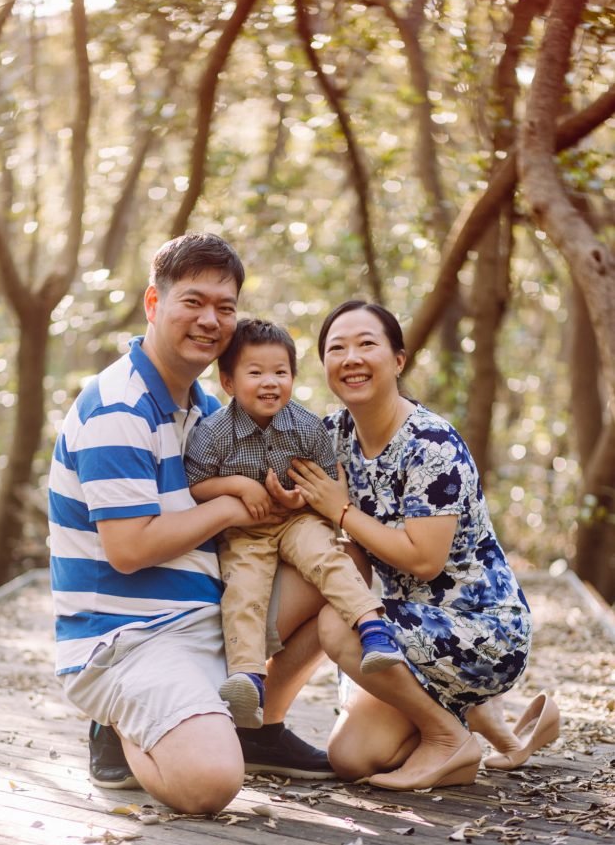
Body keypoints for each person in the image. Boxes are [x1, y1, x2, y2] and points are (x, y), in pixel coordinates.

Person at [48, 233, 332, 812]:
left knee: (341, 563)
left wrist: (291, 498)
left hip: (212, 617)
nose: (211, 320)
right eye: (193, 302)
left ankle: (256, 723)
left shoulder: (206, 409)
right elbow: (128, 549)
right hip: (131, 641)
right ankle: (120, 724)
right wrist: (230, 505)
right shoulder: (118, 407)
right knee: (209, 784)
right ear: (154, 304)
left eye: (225, 308)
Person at [267, 299, 560, 791]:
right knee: (352, 759)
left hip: (480, 631)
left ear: (398, 360)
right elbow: (283, 485)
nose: (351, 358)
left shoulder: (432, 445)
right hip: (405, 627)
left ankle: (449, 735)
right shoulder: (331, 435)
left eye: (367, 344)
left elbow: (425, 561)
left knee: (339, 621)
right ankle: (474, 713)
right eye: (337, 348)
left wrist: (341, 510)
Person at [183, 318, 389, 729]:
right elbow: (196, 484)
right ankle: (248, 677)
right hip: (245, 532)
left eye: (280, 372)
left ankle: (372, 628)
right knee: (244, 588)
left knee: (327, 558)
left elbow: (331, 481)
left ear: (293, 377)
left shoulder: (307, 426)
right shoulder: (213, 433)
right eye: (255, 372)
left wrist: (301, 498)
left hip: (298, 519)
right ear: (228, 381)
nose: (270, 383)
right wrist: (240, 485)